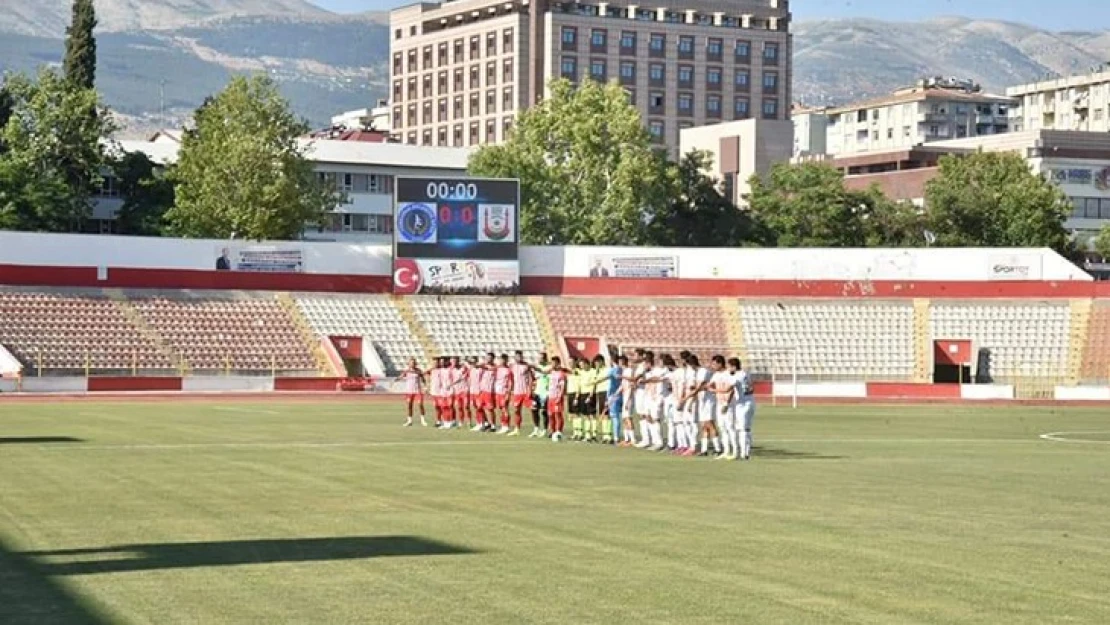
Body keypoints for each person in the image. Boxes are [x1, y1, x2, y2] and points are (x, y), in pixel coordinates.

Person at [693, 356, 722, 457]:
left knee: (710, 423)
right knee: (704, 425)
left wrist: (694, 392)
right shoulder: (707, 372)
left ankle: (718, 449)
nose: (712, 365)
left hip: (710, 400)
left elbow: (704, 385)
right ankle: (704, 449)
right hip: (703, 400)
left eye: (714, 364)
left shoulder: (709, 373)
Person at [729, 357, 756, 460]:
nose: (729, 369)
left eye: (730, 367)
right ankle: (747, 452)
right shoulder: (746, 373)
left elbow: (728, 389)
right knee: (747, 428)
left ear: (734, 366)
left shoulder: (736, 376)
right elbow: (752, 388)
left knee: (742, 429)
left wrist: (713, 389)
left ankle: (743, 453)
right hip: (751, 402)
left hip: (742, 404)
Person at [713, 356, 739, 460]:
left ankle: (735, 451)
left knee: (730, 427)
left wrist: (727, 404)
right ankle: (726, 450)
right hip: (719, 402)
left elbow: (732, 390)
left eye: (714, 364)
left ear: (720, 364)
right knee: (722, 427)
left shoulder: (728, 374)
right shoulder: (716, 375)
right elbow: (710, 385)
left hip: (728, 405)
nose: (713, 366)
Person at [510, 350, 534, 437]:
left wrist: (530, 390)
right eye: (517, 356)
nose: (518, 358)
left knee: (532, 409)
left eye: (520, 356)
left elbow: (531, 378)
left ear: (522, 357)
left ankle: (536, 428)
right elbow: (511, 378)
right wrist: (511, 389)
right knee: (516, 410)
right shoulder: (512, 366)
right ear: (514, 357)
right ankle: (517, 429)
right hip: (517, 392)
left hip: (525, 391)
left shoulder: (526, 366)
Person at [398, 358, 427, 427]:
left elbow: (423, 379)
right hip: (409, 391)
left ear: (415, 363)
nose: (412, 364)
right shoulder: (406, 371)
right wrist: (395, 380)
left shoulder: (418, 371)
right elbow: (401, 376)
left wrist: (425, 386)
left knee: (420, 404)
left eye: (413, 363)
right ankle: (409, 421)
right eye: (411, 363)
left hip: (417, 390)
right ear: (409, 364)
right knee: (409, 406)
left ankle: (423, 420)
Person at [605, 355, 627, 445]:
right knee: (623, 417)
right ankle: (625, 437)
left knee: (615, 417)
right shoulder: (623, 370)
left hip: (614, 395)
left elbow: (608, 378)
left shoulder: (613, 369)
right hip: (622, 394)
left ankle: (616, 437)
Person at [547, 357, 568, 442]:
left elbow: (563, 386)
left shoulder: (561, 374)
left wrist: (560, 396)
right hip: (550, 397)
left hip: (557, 396)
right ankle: (553, 431)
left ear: (558, 363)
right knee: (550, 415)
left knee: (558, 414)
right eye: (552, 363)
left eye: (554, 363)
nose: (552, 364)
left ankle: (559, 431)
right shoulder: (551, 372)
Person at [530, 353, 551, 438]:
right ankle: (536, 429)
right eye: (539, 358)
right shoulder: (536, 368)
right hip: (537, 392)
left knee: (544, 412)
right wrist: (533, 389)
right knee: (534, 410)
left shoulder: (549, 368)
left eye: (541, 358)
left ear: (545, 359)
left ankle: (545, 430)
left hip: (546, 393)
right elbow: (534, 379)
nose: (540, 359)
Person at [591, 355, 611, 443]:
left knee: (606, 413)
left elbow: (608, 379)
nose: (596, 364)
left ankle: (608, 435)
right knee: (601, 413)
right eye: (595, 363)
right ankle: (604, 434)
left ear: (602, 361)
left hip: (606, 392)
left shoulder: (608, 369)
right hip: (599, 393)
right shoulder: (596, 371)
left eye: (598, 362)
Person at [475, 353, 496, 432]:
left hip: (489, 390)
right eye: (487, 358)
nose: (488, 359)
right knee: (479, 407)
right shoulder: (484, 366)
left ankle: (493, 426)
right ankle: (487, 423)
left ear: (493, 359)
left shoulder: (494, 367)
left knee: (490, 409)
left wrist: (480, 365)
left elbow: (489, 368)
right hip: (482, 390)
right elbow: (478, 366)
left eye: (489, 358)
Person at [494, 354, 513, 434]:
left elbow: (511, 383)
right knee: (500, 409)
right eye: (501, 360)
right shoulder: (498, 369)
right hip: (498, 392)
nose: (502, 361)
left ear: (506, 360)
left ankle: (506, 426)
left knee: (505, 408)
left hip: (504, 392)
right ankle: (503, 425)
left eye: (503, 360)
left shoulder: (508, 370)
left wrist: (508, 393)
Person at [568, 358, 583, 440]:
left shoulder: (577, 372)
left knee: (577, 414)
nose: (570, 363)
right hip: (570, 393)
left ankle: (579, 433)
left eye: (571, 362)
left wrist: (577, 397)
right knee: (573, 415)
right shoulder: (569, 372)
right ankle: (575, 432)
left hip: (575, 393)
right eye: (569, 362)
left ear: (575, 362)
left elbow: (579, 384)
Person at [466, 356, 483, 429]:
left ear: (477, 361)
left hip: (479, 391)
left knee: (480, 407)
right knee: (475, 408)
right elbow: (469, 379)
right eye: (471, 362)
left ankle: (482, 423)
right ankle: (478, 423)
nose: (472, 363)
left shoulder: (480, 369)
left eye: (474, 362)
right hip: (472, 391)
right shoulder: (470, 369)